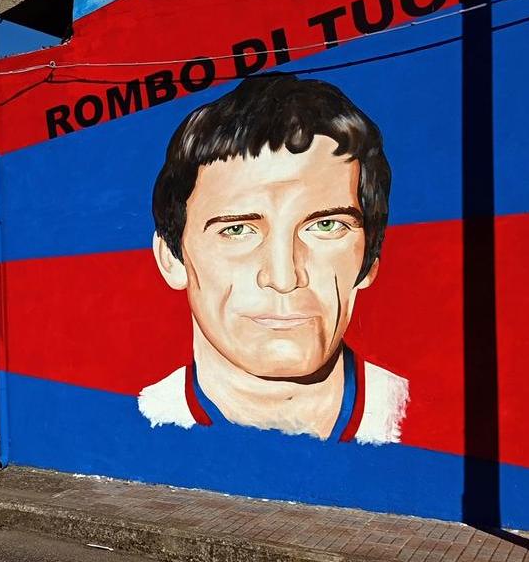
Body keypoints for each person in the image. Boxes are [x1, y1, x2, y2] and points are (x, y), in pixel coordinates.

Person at [138, 73, 408, 444]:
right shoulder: (144, 415)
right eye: (236, 230)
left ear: (369, 260)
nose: (284, 277)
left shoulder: (419, 420)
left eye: (327, 225)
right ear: (171, 258)